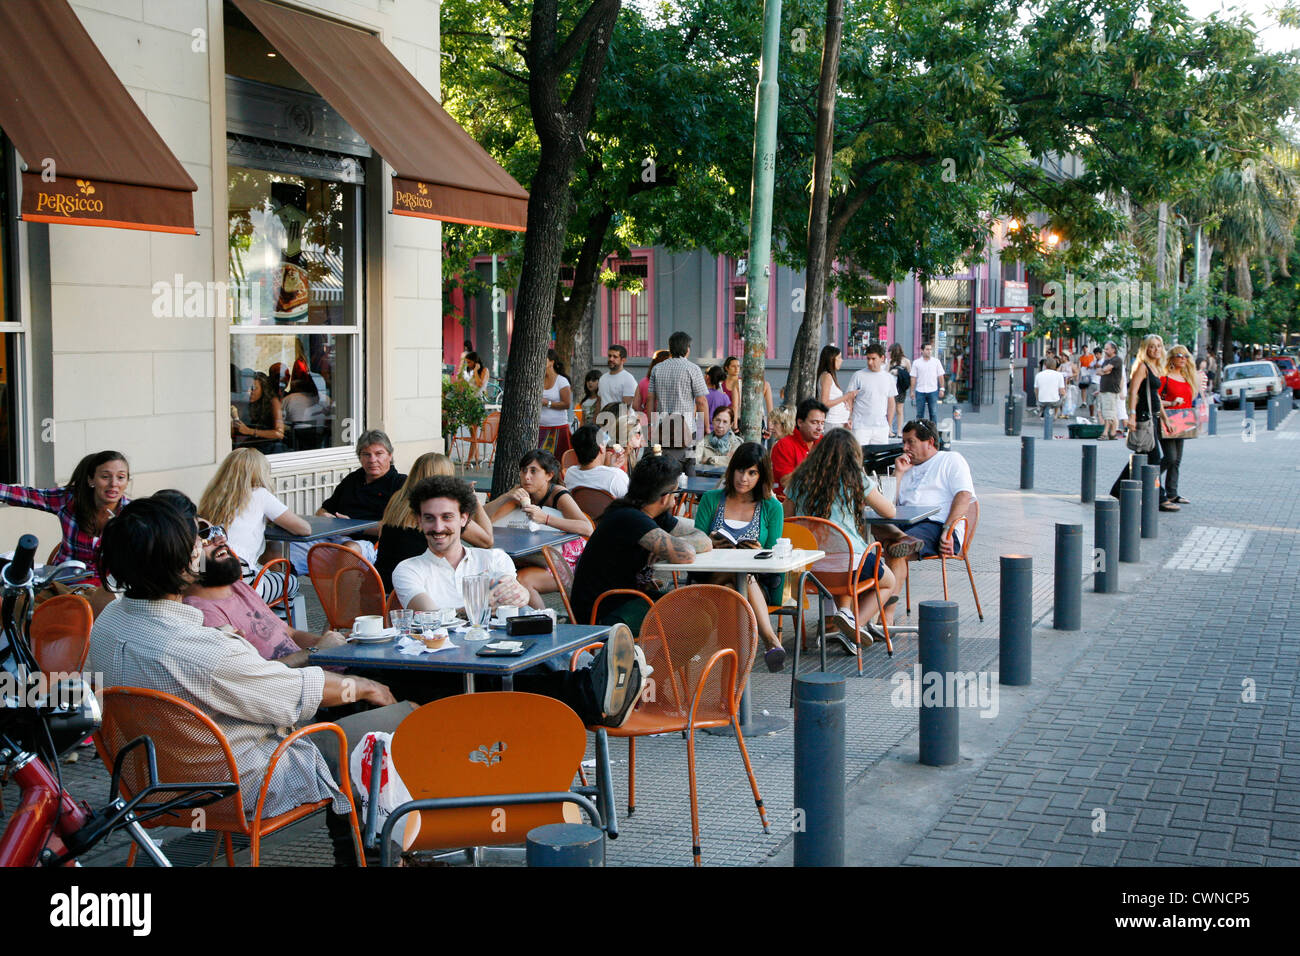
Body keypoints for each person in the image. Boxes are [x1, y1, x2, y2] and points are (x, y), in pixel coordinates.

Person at [89, 495, 407, 866]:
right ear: (185, 560)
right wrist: (370, 688)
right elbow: (296, 695)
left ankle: (362, 852)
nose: (205, 543)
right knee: (394, 723)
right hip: (242, 785)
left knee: (345, 735)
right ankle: (385, 857)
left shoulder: (107, 623)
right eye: (198, 538)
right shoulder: (200, 648)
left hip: (153, 786)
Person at [389, 475, 650, 724]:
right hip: (452, 667)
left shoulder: (493, 558)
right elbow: (433, 618)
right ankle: (599, 691)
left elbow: (516, 595)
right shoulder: (408, 570)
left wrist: (521, 593)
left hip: (505, 656)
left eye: (447, 517)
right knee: (513, 684)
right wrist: (480, 606)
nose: (438, 528)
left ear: (464, 518)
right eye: (429, 519)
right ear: (419, 522)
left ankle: (598, 689)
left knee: (524, 671)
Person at [570, 454, 712, 633]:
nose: (675, 500)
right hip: (604, 611)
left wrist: (668, 544)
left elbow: (704, 540)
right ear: (664, 497)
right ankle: (661, 661)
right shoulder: (630, 518)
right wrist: (670, 546)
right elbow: (687, 555)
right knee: (699, 620)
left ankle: (660, 659)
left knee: (708, 605)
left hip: (629, 599)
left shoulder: (653, 514)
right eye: (675, 493)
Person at [784, 427, 899, 646]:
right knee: (888, 582)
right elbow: (890, 512)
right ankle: (855, 626)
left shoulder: (798, 481)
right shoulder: (856, 480)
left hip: (809, 569)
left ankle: (845, 614)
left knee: (840, 559)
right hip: (848, 567)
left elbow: (786, 520)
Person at [184, 517, 346, 667]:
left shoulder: (237, 587)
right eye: (205, 536)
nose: (221, 539)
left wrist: (335, 643)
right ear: (187, 556)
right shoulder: (202, 612)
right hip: (304, 687)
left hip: (322, 669)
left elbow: (290, 633)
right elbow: (254, 677)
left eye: (219, 531)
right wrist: (317, 651)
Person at [692, 442, 789, 670]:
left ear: (761, 475)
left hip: (755, 584)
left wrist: (759, 553)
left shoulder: (771, 507)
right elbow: (695, 544)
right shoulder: (711, 499)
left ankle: (730, 683)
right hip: (710, 579)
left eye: (752, 472)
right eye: (740, 470)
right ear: (731, 469)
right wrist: (710, 544)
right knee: (738, 582)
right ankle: (770, 640)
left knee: (738, 584)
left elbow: (775, 555)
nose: (743, 478)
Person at [197, 448, 310, 611]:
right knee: (289, 582)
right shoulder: (260, 495)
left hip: (207, 571)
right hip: (239, 576)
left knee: (270, 561)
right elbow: (303, 528)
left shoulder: (212, 496)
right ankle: (280, 631)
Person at [0, 449, 129, 586]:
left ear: (127, 481)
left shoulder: (132, 514)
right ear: (91, 480)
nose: (114, 483)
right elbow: (27, 495)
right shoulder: (68, 499)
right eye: (105, 477)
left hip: (108, 590)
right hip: (64, 584)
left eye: (121, 477)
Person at [483, 449, 593, 607]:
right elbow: (483, 519)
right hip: (535, 557)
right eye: (523, 471)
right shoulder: (521, 495)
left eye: (533, 471)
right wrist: (506, 497)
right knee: (498, 574)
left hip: (567, 561)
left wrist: (546, 519)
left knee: (521, 580)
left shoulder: (558, 495)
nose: (526, 477)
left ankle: (545, 621)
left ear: (549, 475)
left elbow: (587, 528)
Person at [289, 430, 406, 573]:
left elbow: (396, 528)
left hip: (369, 545)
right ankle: (285, 591)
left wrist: (353, 526)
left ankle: (342, 595)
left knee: (348, 550)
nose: (372, 459)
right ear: (360, 458)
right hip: (334, 537)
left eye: (379, 454)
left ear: (390, 455)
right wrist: (325, 518)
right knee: (280, 547)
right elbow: (323, 510)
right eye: (366, 454)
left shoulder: (399, 484)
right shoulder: (353, 479)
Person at [375, 452, 492, 592]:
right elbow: (487, 541)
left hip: (381, 590)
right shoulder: (441, 510)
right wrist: (474, 499)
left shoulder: (397, 499)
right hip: (419, 590)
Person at [885, 419, 977, 593]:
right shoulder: (906, 467)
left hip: (936, 524)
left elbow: (964, 495)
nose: (905, 448)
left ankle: (885, 614)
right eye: (903, 442)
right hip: (904, 523)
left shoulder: (950, 459)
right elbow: (889, 505)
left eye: (911, 442)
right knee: (881, 536)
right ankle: (901, 540)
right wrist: (898, 473)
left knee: (895, 550)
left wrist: (947, 530)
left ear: (930, 442)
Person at [1108, 335, 1171, 504]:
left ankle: (1119, 490)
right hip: (1143, 416)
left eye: (1159, 346)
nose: (1156, 349)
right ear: (1145, 349)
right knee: (1155, 456)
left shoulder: (1155, 367)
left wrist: (1164, 417)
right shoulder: (1142, 367)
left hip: (1153, 417)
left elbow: (1155, 395)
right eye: (1152, 346)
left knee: (1142, 454)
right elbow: (1134, 392)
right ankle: (1158, 496)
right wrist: (1132, 415)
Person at [647, 331, 708, 462]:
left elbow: (650, 399)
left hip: (663, 427)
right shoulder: (693, 369)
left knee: (663, 465)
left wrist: (651, 424)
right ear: (687, 349)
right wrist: (705, 426)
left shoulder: (657, 368)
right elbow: (701, 401)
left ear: (670, 348)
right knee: (689, 464)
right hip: (687, 428)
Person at [1158, 345, 1200, 508]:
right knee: (1170, 457)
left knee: (1176, 461)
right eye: (1179, 356)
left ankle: (1172, 494)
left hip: (1184, 420)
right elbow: (1155, 399)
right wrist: (1171, 403)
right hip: (1167, 420)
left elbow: (1190, 402)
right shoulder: (1164, 377)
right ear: (1172, 358)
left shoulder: (1187, 377)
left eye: (1186, 356)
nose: (1183, 359)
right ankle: (1150, 479)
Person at [770, 398, 826, 498]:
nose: (820, 428)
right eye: (814, 422)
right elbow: (787, 483)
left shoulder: (824, 442)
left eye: (822, 423)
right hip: (791, 504)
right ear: (800, 422)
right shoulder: (784, 445)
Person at [845, 343, 896, 445]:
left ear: (882, 358)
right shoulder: (858, 376)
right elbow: (849, 398)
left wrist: (889, 425)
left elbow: (891, 402)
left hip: (881, 427)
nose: (870, 362)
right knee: (859, 457)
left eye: (873, 358)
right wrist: (849, 417)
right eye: (868, 359)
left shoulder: (888, 378)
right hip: (860, 426)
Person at [565, 424, 630, 498]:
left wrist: (612, 468)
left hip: (581, 510)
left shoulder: (569, 473)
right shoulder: (617, 477)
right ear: (601, 447)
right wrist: (613, 470)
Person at [233, 371, 287, 452]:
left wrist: (249, 431)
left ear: (263, 388)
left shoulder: (273, 402)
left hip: (270, 448)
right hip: (252, 446)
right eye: (246, 388)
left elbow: (279, 434)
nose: (249, 392)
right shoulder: (248, 403)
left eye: (253, 388)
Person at [538, 348, 573, 459]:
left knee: (557, 460)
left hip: (558, 427)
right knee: (540, 460)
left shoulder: (561, 381)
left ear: (552, 362)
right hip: (540, 427)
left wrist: (547, 403)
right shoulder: (538, 380)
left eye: (544, 359)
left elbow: (567, 404)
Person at [460, 351, 491, 466]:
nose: (467, 364)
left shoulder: (484, 371)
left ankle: (471, 460)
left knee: (474, 433)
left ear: (475, 361)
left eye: (469, 362)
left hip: (477, 403)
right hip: (470, 402)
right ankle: (472, 459)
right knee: (472, 433)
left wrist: (476, 371)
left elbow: (479, 384)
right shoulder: (471, 371)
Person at [817, 345, 857, 430]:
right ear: (831, 359)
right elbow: (825, 402)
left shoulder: (829, 376)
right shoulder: (827, 376)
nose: (841, 360)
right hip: (833, 422)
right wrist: (846, 396)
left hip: (838, 421)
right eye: (839, 358)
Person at [911, 343, 946, 423]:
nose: (929, 351)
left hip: (933, 390)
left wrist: (942, 389)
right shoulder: (916, 362)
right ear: (922, 350)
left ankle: (933, 434)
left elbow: (940, 376)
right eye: (927, 349)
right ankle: (919, 433)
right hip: (920, 391)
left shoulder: (936, 362)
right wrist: (912, 391)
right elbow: (913, 377)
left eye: (930, 349)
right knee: (919, 414)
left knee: (933, 413)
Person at [1096, 341, 1124, 439]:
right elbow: (1099, 371)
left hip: (1111, 390)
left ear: (1113, 349)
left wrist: (1104, 370)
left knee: (1109, 412)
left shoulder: (1117, 359)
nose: (1105, 350)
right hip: (1104, 389)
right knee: (1107, 412)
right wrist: (1104, 371)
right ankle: (1112, 433)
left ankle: (1105, 433)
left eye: (1107, 349)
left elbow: (1105, 369)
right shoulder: (1106, 360)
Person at [598, 344, 639, 410]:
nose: (611, 359)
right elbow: (599, 402)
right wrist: (596, 419)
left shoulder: (628, 379)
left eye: (615, 357)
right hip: (603, 418)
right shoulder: (602, 378)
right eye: (609, 356)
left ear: (623, 360)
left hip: (621, 419)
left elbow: (626, 405)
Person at [888, 343, 912, 437]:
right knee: (891, 409)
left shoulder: (906, 361)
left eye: (890, 351)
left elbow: (909, 374)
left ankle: (899, 431)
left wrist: (899, 372)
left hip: (901, 387)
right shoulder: (890, 362)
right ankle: (889, 430)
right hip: (891, 388)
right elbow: (886, 373)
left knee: (899, 409)